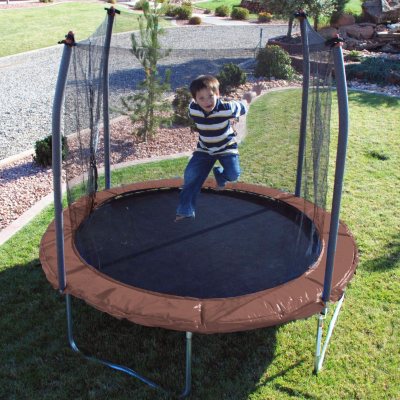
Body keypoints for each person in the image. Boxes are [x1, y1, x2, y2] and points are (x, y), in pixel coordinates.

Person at [175, 75, 249, 221]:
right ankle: (185, 210)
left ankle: (220, 174)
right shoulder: (193, 109)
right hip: (205, 149)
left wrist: (250, 96)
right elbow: (190, 103)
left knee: (233, 175)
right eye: (201, 98)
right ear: (196, 100)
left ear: (218, 94)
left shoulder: (227, 108)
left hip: (226, 147)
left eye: (210, 96)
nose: (207, 101)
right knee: (190, 175)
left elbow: (243, 106)